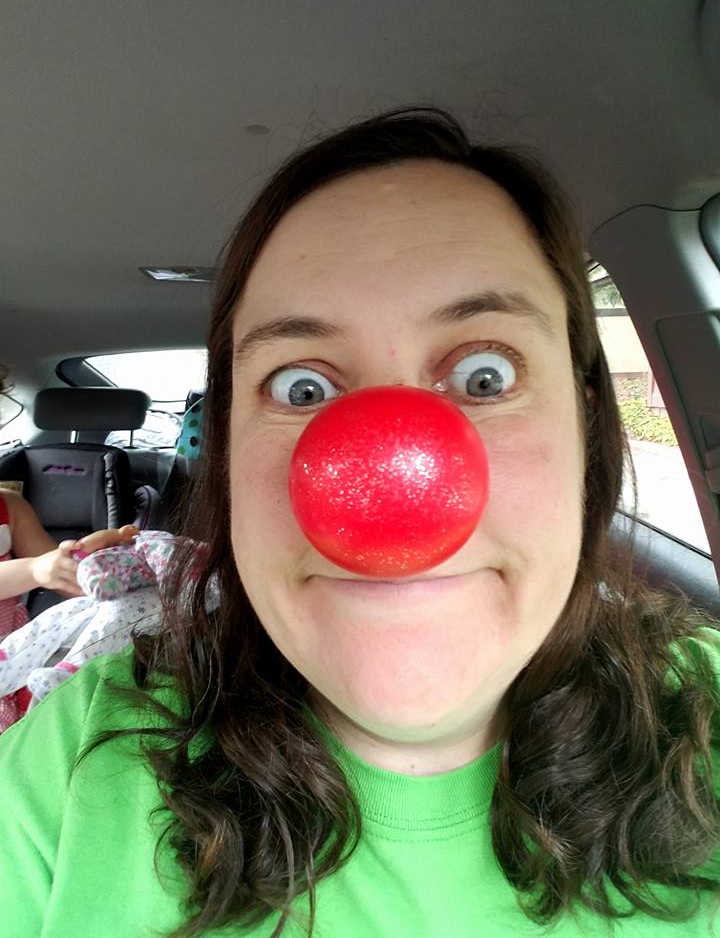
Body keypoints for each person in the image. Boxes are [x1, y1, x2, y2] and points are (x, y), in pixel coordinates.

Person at [1, 108, 719, 938]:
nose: (389, 492)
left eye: (486, 377)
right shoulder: (80, 758)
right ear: (229, 452)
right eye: (300, 388)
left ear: (587, 427)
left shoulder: (703, 713)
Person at [0, 366, 139, 730]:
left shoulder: (10, 506)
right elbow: (40, 567)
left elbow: (58, 570)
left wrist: (85, 558)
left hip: (16, 659)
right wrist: (35, 569)